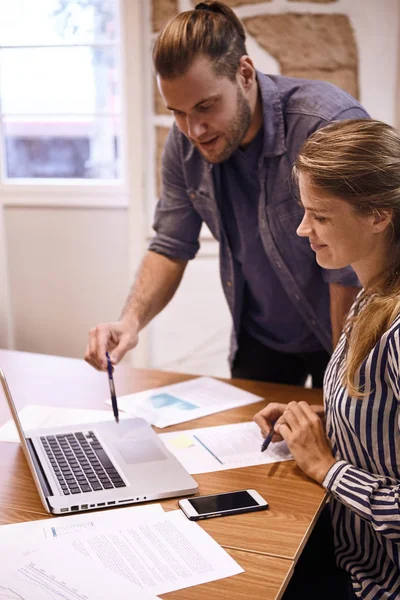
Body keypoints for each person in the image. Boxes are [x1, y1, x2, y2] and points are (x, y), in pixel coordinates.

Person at [85, 1, 367, 386]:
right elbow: (170, 243)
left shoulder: (323, 125)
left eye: (205, 106)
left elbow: (347, 266)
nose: (193, 130)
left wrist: (339, 384)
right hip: (260, 338)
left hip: (342, 334)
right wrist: (130, 321)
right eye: (178, 112)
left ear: (245, 74)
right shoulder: (184, 147)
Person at [254, 118, 400, 599]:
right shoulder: (370, 295)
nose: (302, 229)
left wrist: (325, 466)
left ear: (378, 215)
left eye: (320, 216)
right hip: (351, 555)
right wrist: (320, 421)